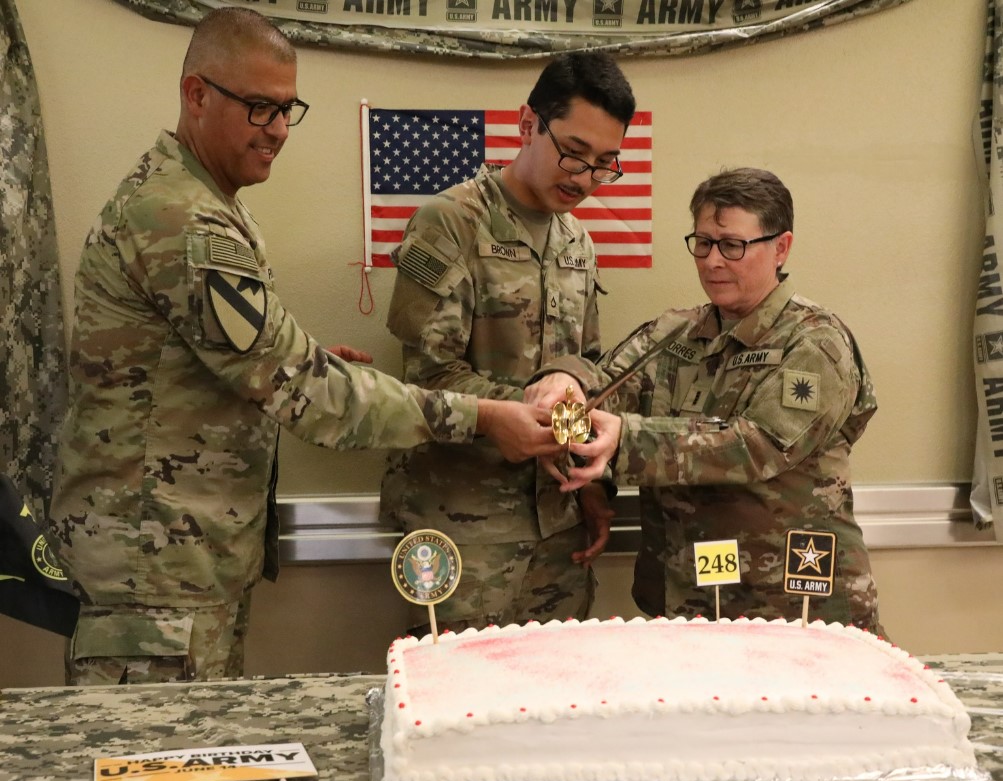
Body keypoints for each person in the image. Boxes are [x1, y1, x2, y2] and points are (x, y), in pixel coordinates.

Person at [49, 8, 562, 686]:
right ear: (196, 95)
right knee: (155, 780)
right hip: (155, 578)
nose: (278, 132)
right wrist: (481, 416)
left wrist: (305, 362)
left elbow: (231, 364)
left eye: (288, 110)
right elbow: (311, 396)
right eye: (260, 109)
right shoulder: (184, 221)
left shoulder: (206, 202)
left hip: (181, 566)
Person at [528, 167, 882, 632]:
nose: (713, 261)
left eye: (732, 245)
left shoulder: (815, 342)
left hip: (788, 608)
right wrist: (565, 384)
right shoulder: (674, 332)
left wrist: (625, 442)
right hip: (686, 598)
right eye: (703, 243)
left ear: (781, 247)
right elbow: (599, 394)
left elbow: (759, 446)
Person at [379, 54, 636, 636]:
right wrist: (517, 412)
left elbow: (587, 367)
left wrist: (592, 483)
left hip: (559, 522)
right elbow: (427, 376)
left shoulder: (578, 240)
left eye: (603, 164)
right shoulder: (450, 223)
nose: (584, 177)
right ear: (527, 125)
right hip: (465, 528)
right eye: (572, 151)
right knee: (457, 703)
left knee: (555, 704)